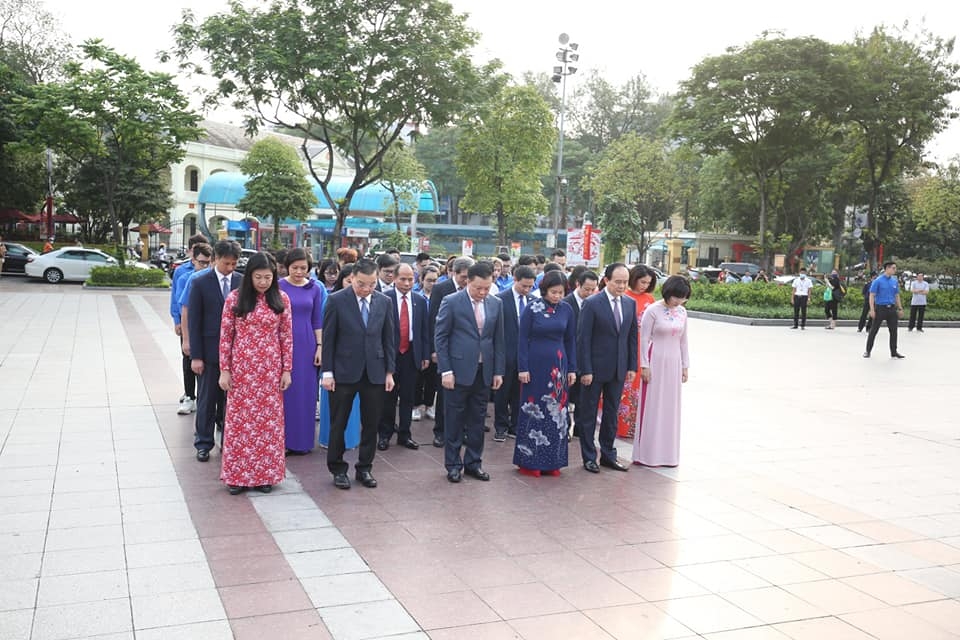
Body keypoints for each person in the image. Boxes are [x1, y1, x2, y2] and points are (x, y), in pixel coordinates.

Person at [219, 252, 293, 494]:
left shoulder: (281, 299)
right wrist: (225, 370)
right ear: (249, 276)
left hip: (270, 371)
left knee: (267, 425)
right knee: (239, 424)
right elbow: (226, 336)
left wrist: (287, 370)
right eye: (258, 277)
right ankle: (237, 477)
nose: (263, 282)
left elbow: (286, 337)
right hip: (242, 370)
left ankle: (265, 476)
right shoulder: (234, 299)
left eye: (268, 277)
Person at [321, 258, 396, 489]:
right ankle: (337, 468)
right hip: (343, 372)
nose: (366, 289)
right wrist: (327, 373)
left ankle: (364, 468)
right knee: (339, 423)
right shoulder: (336, 300)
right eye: (362, 284)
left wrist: (389, 372)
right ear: (352, 277)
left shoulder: (384, 302)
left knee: (371, 423)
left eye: (371, 284)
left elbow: (388, 339)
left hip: (374, 372)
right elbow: (329, 339)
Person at [435, 260, 505, 483]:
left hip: (484, 370)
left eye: (486, 288)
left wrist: (498, 372)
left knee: (477, 420)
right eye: (478, 288)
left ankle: (474, 462)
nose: (482, 292)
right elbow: (441, 337)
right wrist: (445, 370)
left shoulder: (495, 303)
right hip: (457, 370)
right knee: (454, 419)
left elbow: (499, 341)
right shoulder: (452, 302)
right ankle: (453, 464)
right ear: (468, 282)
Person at [575, 263, 637, 473]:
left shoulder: (630, 303)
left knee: (612, 414)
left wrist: (631, 365)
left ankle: (609, 455)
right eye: (618, 282)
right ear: (607, 280)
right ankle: (589, 456)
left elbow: (631, 337)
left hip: (618, 369)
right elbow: (583, 339)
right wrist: (586, 370)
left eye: (625, 282)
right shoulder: (592, 303)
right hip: (594, 369)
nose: (621, 286)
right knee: (589, 414)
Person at [514, 271, 577, 477]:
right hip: (535, 365)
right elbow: (522, 340)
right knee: (534, 410)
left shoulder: (567, 310)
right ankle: (530, 461)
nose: (557, 296)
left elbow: (570, 341)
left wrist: (573, 369)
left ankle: (553, 461)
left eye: (560, 292)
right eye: (553, 292)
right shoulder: (532, 308)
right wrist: (523, 368)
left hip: (559, 366)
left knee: (557, 413)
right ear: (544, 290)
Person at [186, 240, 242, 462]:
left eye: (234, 263)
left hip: (235, 353)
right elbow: (194, 321)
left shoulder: (241, 282)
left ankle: (228, 441)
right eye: (226, 263)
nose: (230, 268)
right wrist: (196, 356)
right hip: (209, 353)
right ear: (216, 258)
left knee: (231, 401)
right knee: (207, 400)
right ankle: (203, 442)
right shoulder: (200, 283)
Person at [633, 276, 691, 467]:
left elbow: (684, 340)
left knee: (670, 406)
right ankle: (647, 454)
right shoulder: (653, 310)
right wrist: (644, 365)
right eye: (676, 297)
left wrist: (685, 365)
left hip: (674, 361)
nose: (679, 301)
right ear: (668, 292)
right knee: (653, 405)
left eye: (683, 298)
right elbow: (644, 339)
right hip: (655, 358)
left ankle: (668, 454)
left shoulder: (682, 312)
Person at [278, 248, 326, 456]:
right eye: (295, 267)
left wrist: (320, 347)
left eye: (303, 268)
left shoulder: (315, 288)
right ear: (287, 267)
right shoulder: (278, 286)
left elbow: (317, 319)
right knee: (285, 392)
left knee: (306, 392)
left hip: (307, 344)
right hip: (282, 342)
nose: (299, 272)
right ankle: (283, 440)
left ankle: (303, 441)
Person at [378, 263, 429, 451]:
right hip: (390, 355)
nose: (407, 283)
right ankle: (384, 434)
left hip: (411, 354)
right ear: (394, 278)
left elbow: (424, 330)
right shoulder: (385, 299)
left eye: (411, 279)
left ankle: (405, 434)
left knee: (409, 397)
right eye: (403, 279)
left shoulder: (420, 300)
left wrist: (425, 354)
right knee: (387, 398)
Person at [427, 256, 474, 448]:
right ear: (454, 273)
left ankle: (461, 430)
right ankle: (440, 431)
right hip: (446, 348)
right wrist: (435, 350)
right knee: (444, 392)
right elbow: (434, 322)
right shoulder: (441, 289)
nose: (466, 281)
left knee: (465, 393)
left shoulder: (473, 290)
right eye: (463, 277)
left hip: (466, 351)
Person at [319, 264, 361, 450]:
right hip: (336, 363)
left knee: (353, 408)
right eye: (348, 280)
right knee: (335, 407)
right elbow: (327, 336)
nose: (352, 284)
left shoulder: (367, 302)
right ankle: (329, 440)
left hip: (357, 364)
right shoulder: (332, 301)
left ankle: (351, 439)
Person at [493, 265, 536, 442]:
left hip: (526, 356)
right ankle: (501, 427)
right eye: (523, 286)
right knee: (502, 393)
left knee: (521, 393)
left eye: (530, 286)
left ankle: (516, 426)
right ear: (515, 280)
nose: (526, 290)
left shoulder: (534, 301)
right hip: (505, 354)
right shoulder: (500, 300)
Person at [171, 239, 212, 415]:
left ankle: (204, 398)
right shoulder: (183, 275)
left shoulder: (211, 277)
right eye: (201, 262)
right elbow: (177, 301)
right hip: (188, 325)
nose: (204, 266)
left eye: (207, 262)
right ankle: (190, 396)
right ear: (192, 258)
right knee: (188, 360)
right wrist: (177, 321)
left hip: (206, 327)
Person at [617, 265, 657, 439]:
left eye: (648, 283)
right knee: (626, 386)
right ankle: (622, 426)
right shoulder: (624, 297)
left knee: (640, 388)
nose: (645, 286)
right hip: (627, 345)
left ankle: (638, 425)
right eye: (642, 282)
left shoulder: (650, 299)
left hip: (645, 347)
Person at [563, 269, 599, 437]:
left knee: (583, 397)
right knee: (566, 395)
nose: (590, 293)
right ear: (578, 284)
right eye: (587, 289)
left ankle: (579, 428)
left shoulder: (596, 303)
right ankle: (565, 427)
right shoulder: (565, 303)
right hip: (568, 356)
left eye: (593, 289)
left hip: (587, 358)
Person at [413, 264, 440, 421]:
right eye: (429, 280)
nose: (432, 284)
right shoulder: (416, 297)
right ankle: (416, 406)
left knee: (432, 378)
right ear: (422, 280)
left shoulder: (441, 296)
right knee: (418, 377)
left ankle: (430, 405)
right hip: (420, 341)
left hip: (436, 342)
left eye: (435, 280)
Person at [864, 261, 906, 359]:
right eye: (893, 268)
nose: (895, 270)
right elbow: (872, 295)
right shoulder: (878, 281)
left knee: (894, 331)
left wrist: (900, 308)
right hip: (880, 308)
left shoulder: (894, 281)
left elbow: (896, 295)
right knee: (874, 330)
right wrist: (872, 309)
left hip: (891, 309)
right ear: (887, 268)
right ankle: (868, 350)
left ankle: (894, 352)